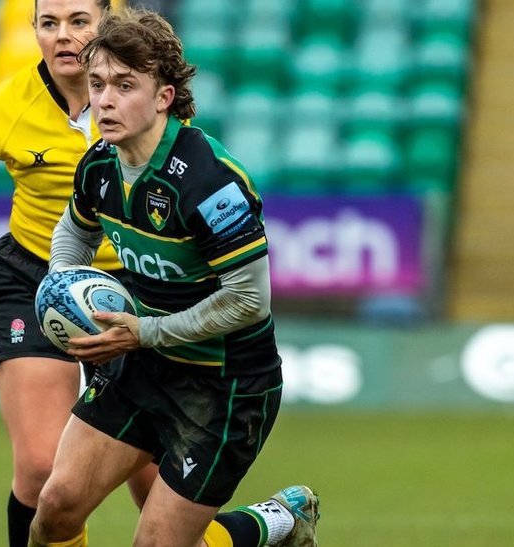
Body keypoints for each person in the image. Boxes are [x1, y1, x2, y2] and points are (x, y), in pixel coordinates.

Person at [32, 9, 319, 547]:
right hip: (142, 365)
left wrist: (144, 332)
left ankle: (277, 522)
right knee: (56, 507)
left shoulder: (212, 184)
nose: (105, 100)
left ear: (163, 96)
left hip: (225, 386)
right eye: (96, 85)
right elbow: (72, 236)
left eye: (124, 85)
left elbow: (248, 301)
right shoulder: (98, 165)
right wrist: (64, 289)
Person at [0, 1, 159, 546]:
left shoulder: (150, 102)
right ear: (34, 32)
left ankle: (263, 525)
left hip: (134, 289)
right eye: (49, 24)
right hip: (35, 280)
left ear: (108, 24)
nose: (64, 36)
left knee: (154, 485)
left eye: (79, 21)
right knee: (41, 467)